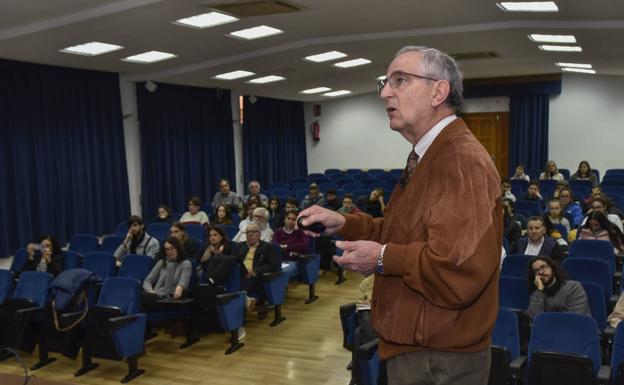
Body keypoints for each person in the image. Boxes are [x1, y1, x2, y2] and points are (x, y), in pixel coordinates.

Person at [299, 46, 501, 384]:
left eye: (400, 81)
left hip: (438, 358)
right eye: (385, 82)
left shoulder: (460, 160)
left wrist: (381, 259)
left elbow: (457, 271)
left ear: (439, 91)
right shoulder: (429, 155)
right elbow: (402, 234)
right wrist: (345, 223)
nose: (385, 93)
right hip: (420, 347)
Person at [234, 222, 280, 314]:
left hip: (256, 276)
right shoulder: (239, 246)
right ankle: (248, 301)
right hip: (240, 274)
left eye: (254, 232)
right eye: (248, 232)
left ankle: (239, 313)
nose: (250, 234)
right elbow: (232, 261)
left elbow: (274, 265)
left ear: (259, 234)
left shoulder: (268, 247)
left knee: (248, 280)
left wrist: (255, 271)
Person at [526, 256, 591, 319]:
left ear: (553, 269)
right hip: (548, 328)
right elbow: (534, 317)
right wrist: (540, 290)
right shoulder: (537, 293)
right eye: (536, 271)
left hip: (577, 328)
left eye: (543, 267)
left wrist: (546, 319)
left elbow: (574, 318)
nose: (540, 272)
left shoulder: (573, 287)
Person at [141, 236, 192, 311]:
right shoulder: (162, 262)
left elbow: (183, 282)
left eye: (173, 248)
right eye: (167, 250)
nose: (170, 251)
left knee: (139, 299)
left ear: (178, 248)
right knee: (138, 296)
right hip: (156, 296)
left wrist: (180, 287)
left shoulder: (185, 263)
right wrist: (151, 291)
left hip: (170, 299)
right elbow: (147, 281)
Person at [273, 210, 310, 278]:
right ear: (285, 219)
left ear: (297, 221)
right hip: (279, 260)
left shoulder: (302, 232)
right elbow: (275, 246)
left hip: (294, 261)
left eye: (294, 219)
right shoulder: (278, 231)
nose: (290, 221)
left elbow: (303, 246)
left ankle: (279, 286)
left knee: (283, 272)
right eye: (289, 218)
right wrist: (290, 253)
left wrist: (286, 246)